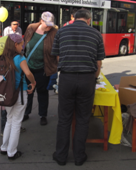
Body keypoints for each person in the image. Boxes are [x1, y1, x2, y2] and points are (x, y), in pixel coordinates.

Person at [51, 9, 103, 166]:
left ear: (73, 18)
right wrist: (92, 78)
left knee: (64, 119)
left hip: (67, 78)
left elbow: (57, 56)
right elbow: (98, 63)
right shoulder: (96, 34)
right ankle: (79, 157)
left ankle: (61, 156)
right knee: (82, 119)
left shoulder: (62, 32)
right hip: (87, 79)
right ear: (88, 19)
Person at [0, 34, 36, 160]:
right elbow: (28, 73)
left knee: (9, 119)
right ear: (15, 45)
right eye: (21, 44)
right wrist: (34, 82)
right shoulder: (20, 58)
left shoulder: (2, 58)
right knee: (16, 122)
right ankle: (12, 152)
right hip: (20, 93)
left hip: (7, 94)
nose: (22, 46)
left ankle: (4, 147)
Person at [24, 11, 59, 126]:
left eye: (51, 24)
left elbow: (58, 49)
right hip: (28, 67)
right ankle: (26, 112)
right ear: (41, 21)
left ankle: (42, 115)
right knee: (28, 91)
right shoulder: (31, 28)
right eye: (47, 24)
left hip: (43, 68)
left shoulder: (54, 32)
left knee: (42, 92)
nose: (49, 26)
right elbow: (25, 43)